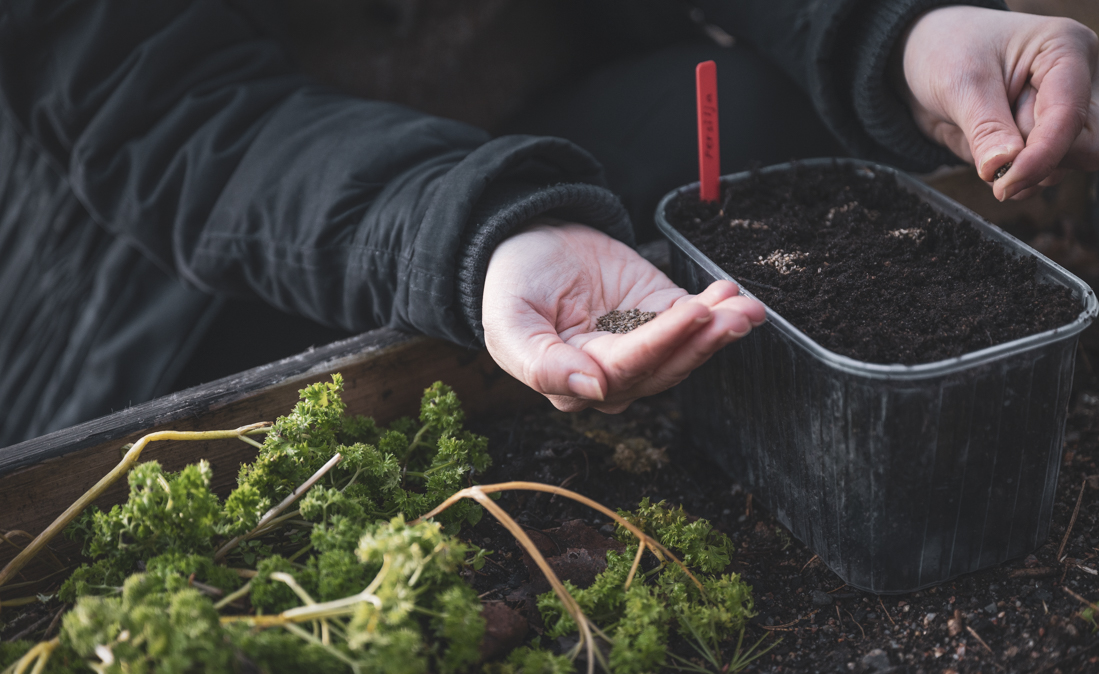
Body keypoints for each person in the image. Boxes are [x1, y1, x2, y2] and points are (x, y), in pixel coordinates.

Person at [0, 0, 1096, 446]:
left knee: (766, 122)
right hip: (210, 249)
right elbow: (169, 113)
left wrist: (890, 35)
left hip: (543, 106)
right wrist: (477, 230)